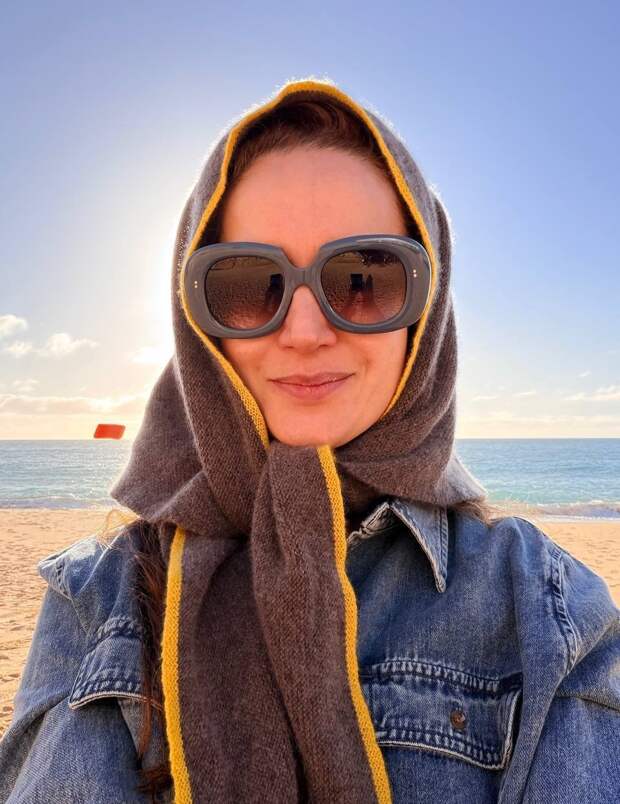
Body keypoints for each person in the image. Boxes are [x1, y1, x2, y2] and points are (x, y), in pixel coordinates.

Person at [1, 76, 619, 804]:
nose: (303, 329)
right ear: (198, 322)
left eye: (363, 278)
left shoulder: (546, 611)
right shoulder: (97, 597)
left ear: (426, 312)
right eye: (248, 283)